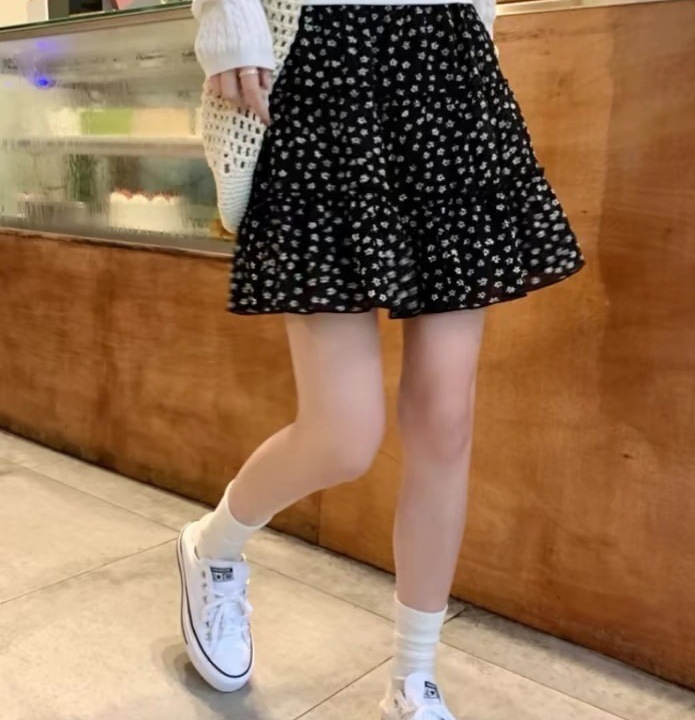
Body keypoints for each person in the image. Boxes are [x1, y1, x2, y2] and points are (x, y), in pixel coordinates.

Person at [177, 0, 584, 717]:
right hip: (321, 64)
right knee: (343, 434)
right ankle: (213, 545)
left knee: (445, 420)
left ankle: (414, 679)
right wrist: (229, 21)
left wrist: (475, 43)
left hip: (447, 65)